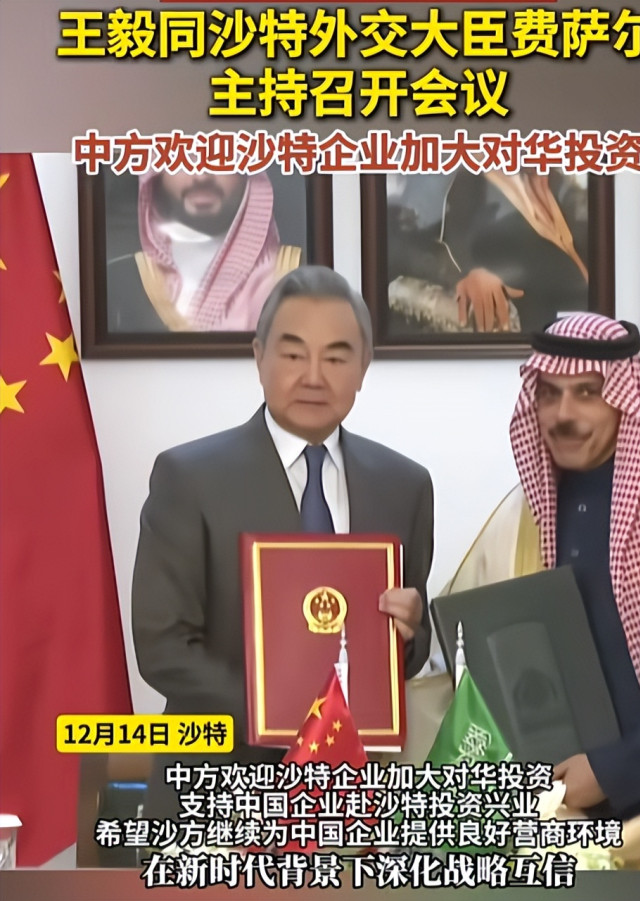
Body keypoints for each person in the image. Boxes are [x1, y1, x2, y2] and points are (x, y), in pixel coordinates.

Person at [132, 265, 434, 818]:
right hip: (214, 794)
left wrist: (411, 631)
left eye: (336, 358)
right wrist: (290, 715)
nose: (313, 377)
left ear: (364, 367)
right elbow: (164, 648)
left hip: (349, 798)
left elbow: (406, 650)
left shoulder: (404, 486)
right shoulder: (190, 478)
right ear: (259, 356)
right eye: (293, 354)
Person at [443, 313, 640, 821]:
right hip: (546, 808)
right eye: (549, 394)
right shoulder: (521, 520)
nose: (563, 414)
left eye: (587, 393)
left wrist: (613, 772)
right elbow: (467, 655)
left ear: (624, 402)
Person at [386, 170, 588, 334]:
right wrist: (466, 273)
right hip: (526, 341)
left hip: (580, 330)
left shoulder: (558, 185)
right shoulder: (455, 182)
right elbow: (399, 245)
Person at [107, 171, 300, 332]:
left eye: (220, 156)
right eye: (184, 158)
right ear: (156, 174)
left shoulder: (302, 272)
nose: (202, 176)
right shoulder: (116, 279)